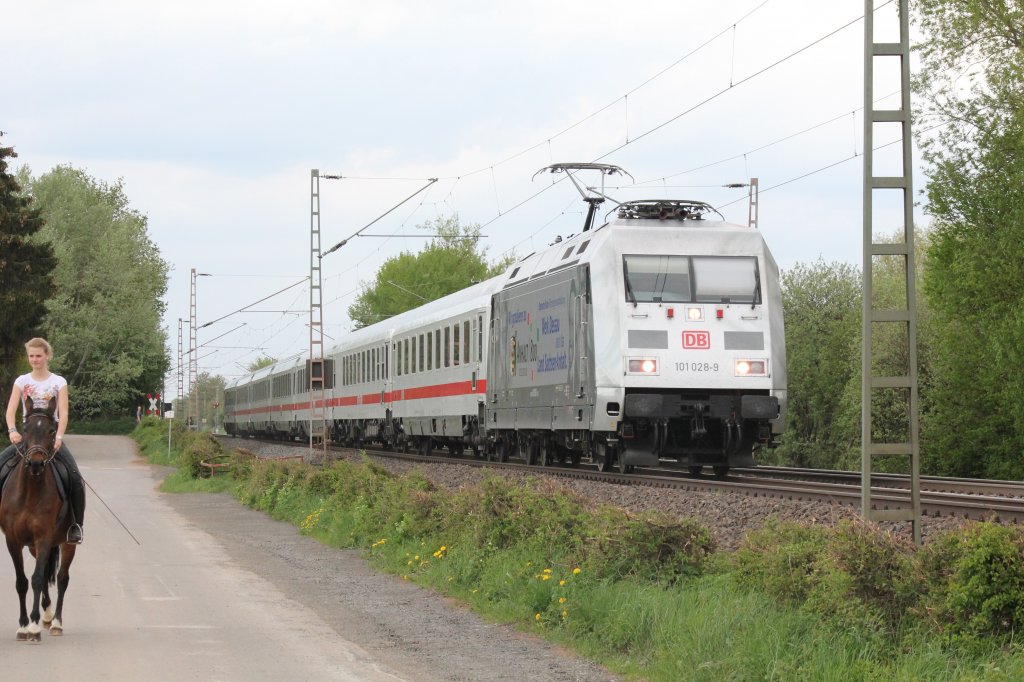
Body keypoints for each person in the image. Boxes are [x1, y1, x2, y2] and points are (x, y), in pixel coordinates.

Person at [1, 338, 85, 544]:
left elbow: (63, 413)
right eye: (31, 356)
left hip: (50, 438)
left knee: (75, 478)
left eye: (38, 355)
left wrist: (58, 437)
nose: (35, 360)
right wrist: (12, 431)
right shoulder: (21, 381)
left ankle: (75, 526)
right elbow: (11, 410)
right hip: (27, 438)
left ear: (47, 355)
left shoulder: (58, 382)